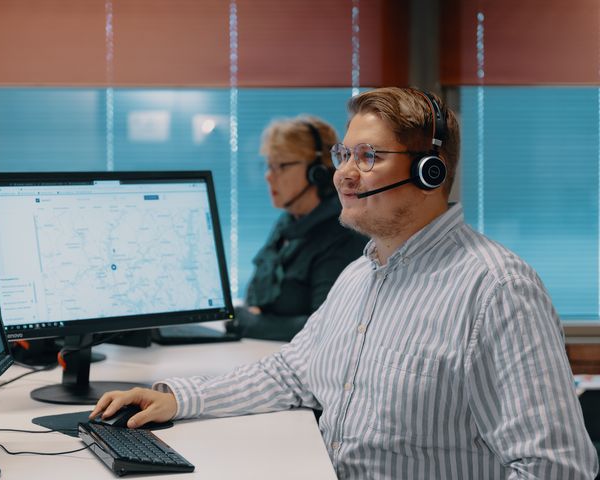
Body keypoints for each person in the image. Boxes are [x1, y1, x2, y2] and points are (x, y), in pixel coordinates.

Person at [91, 87, 599, 479]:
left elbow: (556, 467)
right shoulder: (361, 275)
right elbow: (293, 373)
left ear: (430, 171)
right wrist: (179, 397)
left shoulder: (496, 290)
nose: (342, 175)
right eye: (343, 155)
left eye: (369, 157)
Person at [228, 115, 369, 341]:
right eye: (268, 165)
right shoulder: (288, 222)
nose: (268, 175)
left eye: (280, 166)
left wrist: (247, 321)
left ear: (318, 171)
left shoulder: (342, 232)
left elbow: (324, 328)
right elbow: (255, 294)